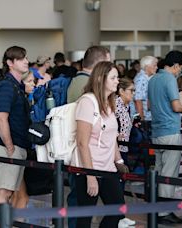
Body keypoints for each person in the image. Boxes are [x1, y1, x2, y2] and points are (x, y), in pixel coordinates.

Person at [75, 61, 128, 228]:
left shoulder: (109, 103)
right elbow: (82, 143)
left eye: (117, 77)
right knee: (85, 218)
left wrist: (119, 162)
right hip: (90, 168)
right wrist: (90, 176)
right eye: (113, 77)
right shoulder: (87, 102)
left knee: (118, 210)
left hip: (108, 169)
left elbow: (111, 137)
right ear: (100, 79)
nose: (117, 81)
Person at [66, 45, 110, 228]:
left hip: (82, 153)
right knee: (80, 199)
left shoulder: (78, 81)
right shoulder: (84, 86)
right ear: (99, 63)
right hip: (83, 154)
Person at [148, 50, 182, 224]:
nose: (179, 71)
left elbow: (151, 106)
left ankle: (156, 209)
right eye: (180, 68)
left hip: (156, 131)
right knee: (169, 173)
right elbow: (176, 107)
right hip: (170, 131)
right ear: (175, 66)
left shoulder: (153, 80)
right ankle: (164, 212)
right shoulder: (169, 79)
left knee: (158, 172)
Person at [0, 46, 30, 210]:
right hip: (7, 146)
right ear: (10, 63)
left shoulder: (16, 85)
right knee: (3, 193)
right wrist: (9, 146)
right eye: (21, 59)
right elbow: (1, 118)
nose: (26, 61)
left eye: (25, 58)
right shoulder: (6, 86)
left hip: (15, 145)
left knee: (16, 195)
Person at [10, 70, 36, 209]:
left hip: (16, 148)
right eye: (30, 81)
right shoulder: (19, 101)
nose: (34, 84)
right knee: (16, 195)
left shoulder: (23, 99)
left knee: (17, 195)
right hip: (14, 148)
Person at [115, 78, 135, 166]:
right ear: (121, 91)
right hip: (116, 149)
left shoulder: (126, 106)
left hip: (124, 147)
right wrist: (116, 135)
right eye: (131, 90)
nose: (133, 93)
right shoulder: (115, 105)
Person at [133, 56, 158, 122]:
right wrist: (141, 120)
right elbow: (138, 100)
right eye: (154, 65)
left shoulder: (149, 78)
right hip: (145, 118)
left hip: (150, 117)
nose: (156, 67)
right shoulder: (141, 79)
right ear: (147, 67)